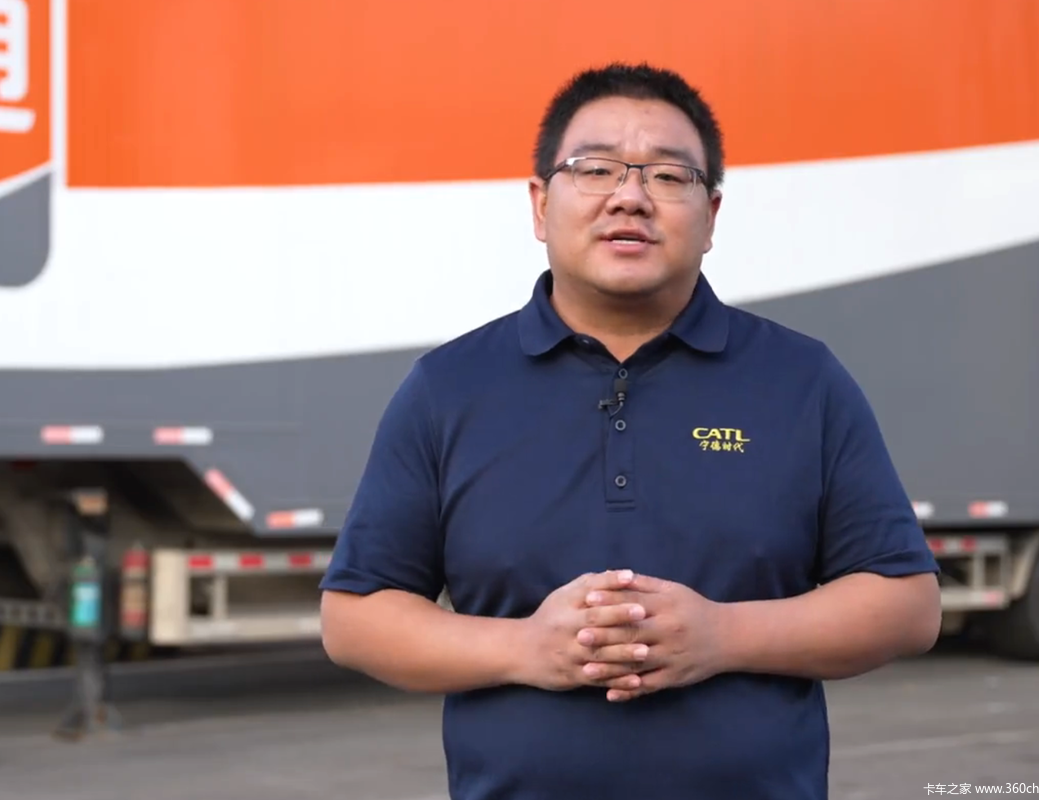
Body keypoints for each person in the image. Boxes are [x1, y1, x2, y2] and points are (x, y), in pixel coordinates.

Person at [318, 62, 942, 800]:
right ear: (539, 204)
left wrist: (721, 636)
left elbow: (906, 605)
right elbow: (355, 617)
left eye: (669, 176)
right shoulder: (447, 389)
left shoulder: (803, 380)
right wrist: (529, 648)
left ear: (711, 215)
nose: (630, 196)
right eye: (596, 169)